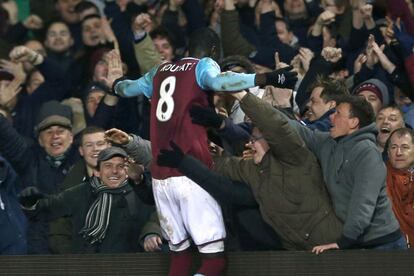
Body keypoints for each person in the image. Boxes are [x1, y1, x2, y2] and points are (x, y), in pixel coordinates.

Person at [108, 27, 297, 276]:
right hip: (191, 172)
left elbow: (125, 89)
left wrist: (114, 83)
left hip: (161, 178)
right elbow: (219, 82)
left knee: (179, 258)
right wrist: (267, 78)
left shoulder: (159, 71)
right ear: (214, 52)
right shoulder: (203, 65)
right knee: (214, 261)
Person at [175, 90, 344, 250]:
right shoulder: (252, 168)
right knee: (243, 213)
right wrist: (184, 153)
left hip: (331, 247)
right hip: (295, 251)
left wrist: (241, 95)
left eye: (255, 139)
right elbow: (221, 166)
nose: (250, 143)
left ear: (271, 141)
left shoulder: (296, 157)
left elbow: (275, 125)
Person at [287, 95, 404, 253]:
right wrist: (261, 109)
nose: (331, 117)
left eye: (337, 114)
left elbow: (363, 204)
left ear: (353, 122)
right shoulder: (329, 143)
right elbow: (302, 132)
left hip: (383, 245)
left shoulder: (367, 153)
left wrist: (343, 242)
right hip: (355, 242)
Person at [19, 147, 162, 253]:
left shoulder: (141, 193)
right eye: (108, 166)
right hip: (87, 267)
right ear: (97, 172)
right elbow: (48, 207)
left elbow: (161, 215)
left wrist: (152, 233)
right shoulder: (81, 192)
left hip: (129, 268)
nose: (114, 171)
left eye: (121, 166)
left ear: (128, 171)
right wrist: (30, 202)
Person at [0, 100, 79, 254]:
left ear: (71, 137)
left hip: (77, 252)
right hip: (38, 252)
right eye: (48, 132)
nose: (55, 136)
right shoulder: (29, 161)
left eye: (60, 131)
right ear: (40, 140)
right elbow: (7, 136)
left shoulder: (85, 163)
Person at [386, 128, 414, 248]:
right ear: (387, 152)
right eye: (393, 147)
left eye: (404, 147)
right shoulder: (379, 176)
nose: (398, 152)